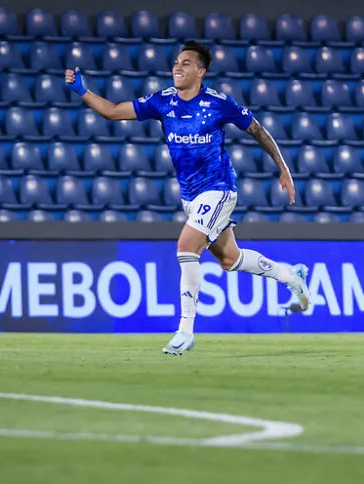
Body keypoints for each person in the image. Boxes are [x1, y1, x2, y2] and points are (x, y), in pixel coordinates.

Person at [65, 40, 310, 355]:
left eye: (185, 63)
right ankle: (292, 276)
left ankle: (185, 330)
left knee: (185, 246)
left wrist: (283, 168)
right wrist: (83, 91)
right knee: (229, 259)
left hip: (220, 189)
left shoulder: (219, 103)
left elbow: (258, 131)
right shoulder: (162, 101)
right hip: (191, 197)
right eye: (176, 62)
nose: (177, 67)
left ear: (201, 71)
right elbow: (113, 112)